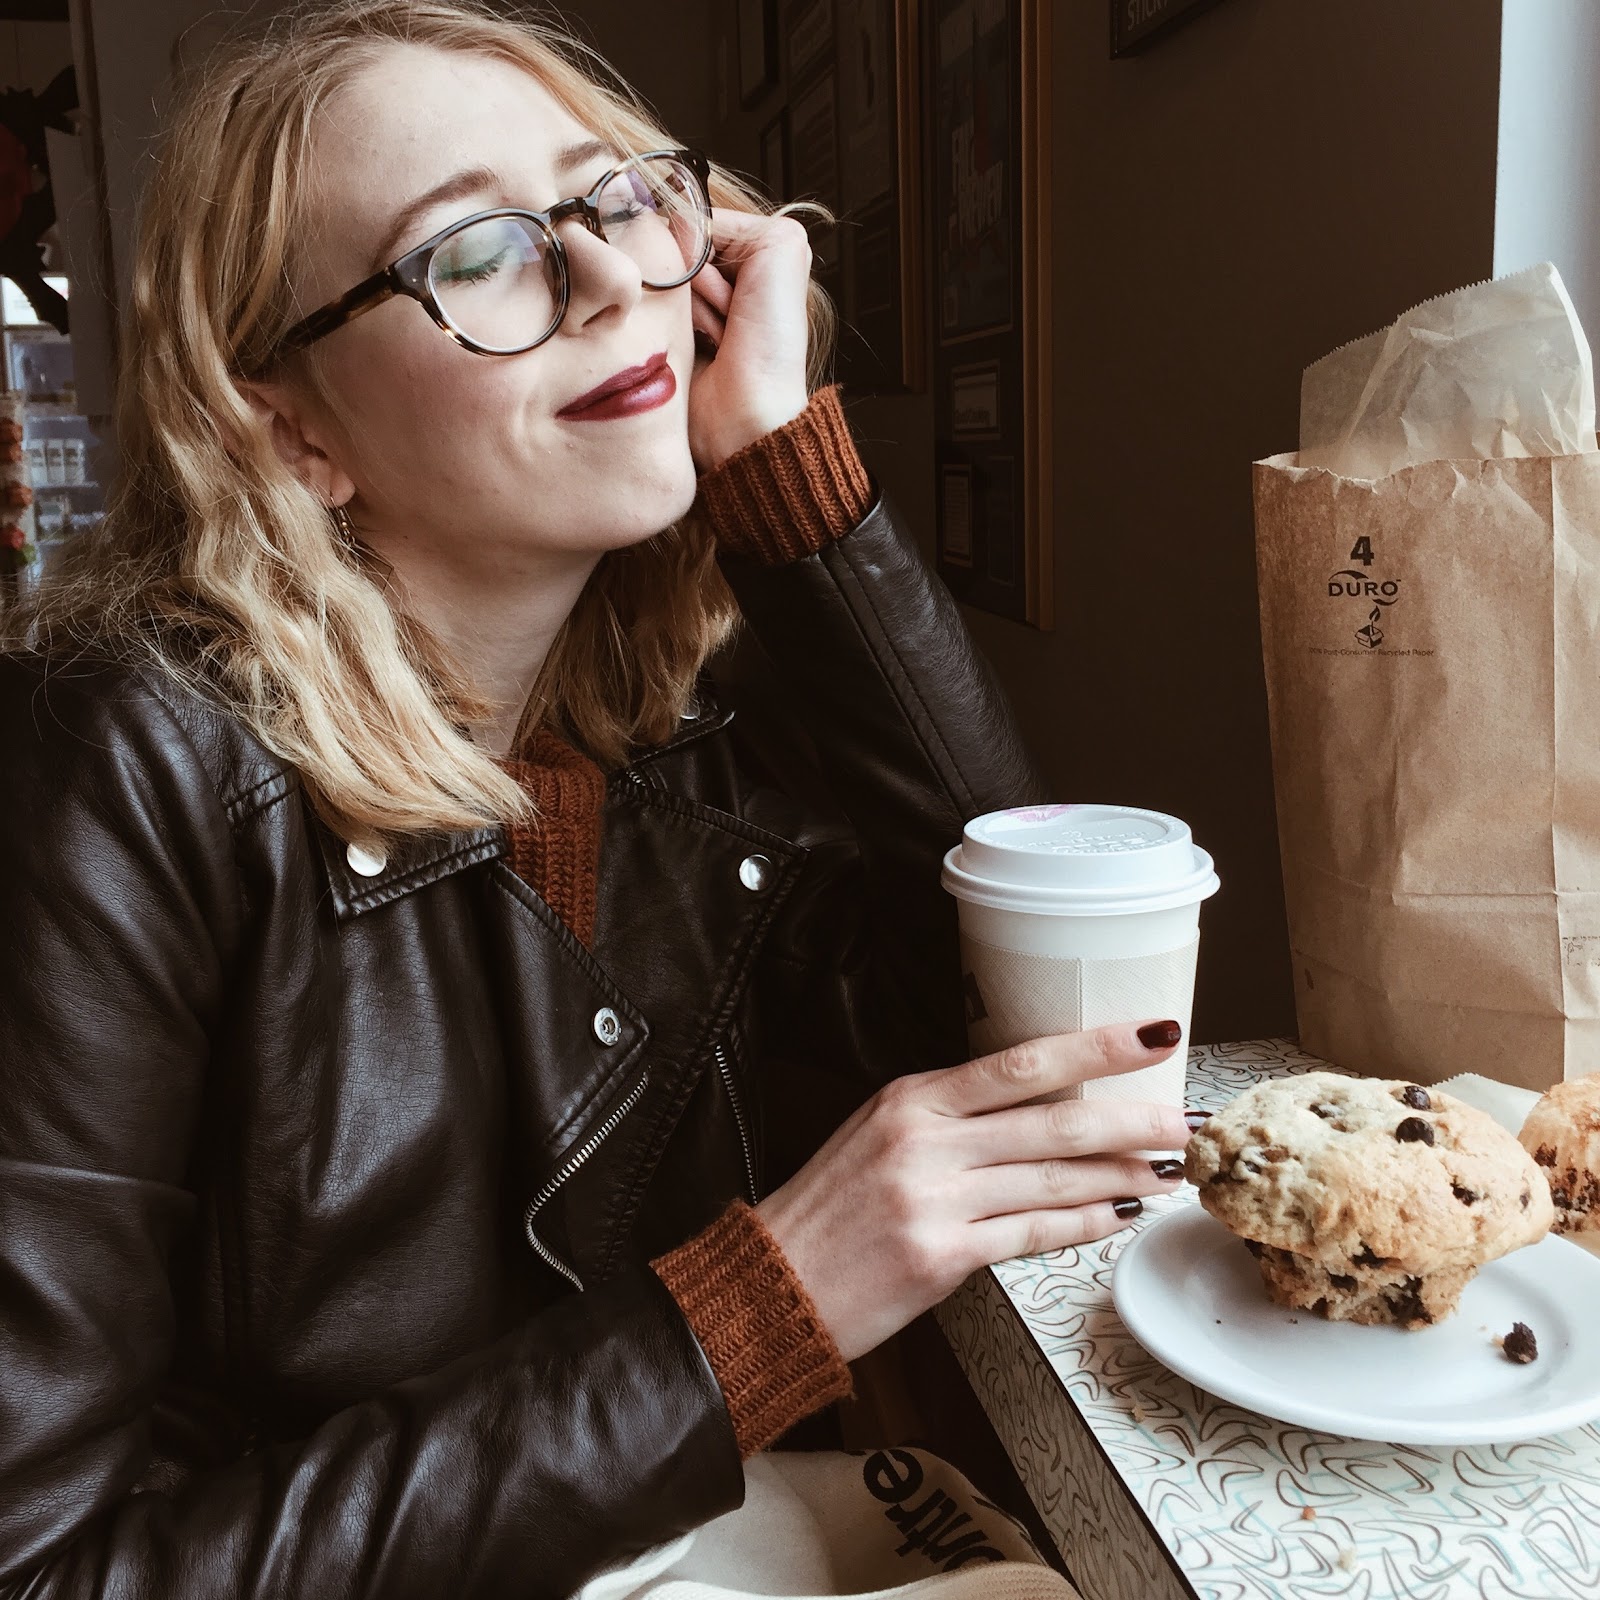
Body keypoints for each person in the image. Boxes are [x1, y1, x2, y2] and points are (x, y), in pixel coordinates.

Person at [0, 3, 1193, 1596]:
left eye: (617, 197)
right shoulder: (115, 763)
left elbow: (1002, 1014)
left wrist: (790, 475)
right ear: (291, 426)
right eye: (478, 251)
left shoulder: (663, 731)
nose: (614, 278)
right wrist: (758, 1314)